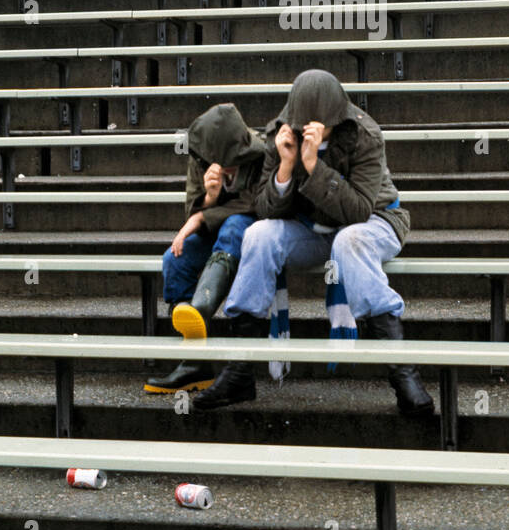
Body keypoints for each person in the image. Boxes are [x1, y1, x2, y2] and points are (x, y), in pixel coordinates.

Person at [191, 70, 433, 417]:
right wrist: (285, 169)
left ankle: (402, 373)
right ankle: (239, 370)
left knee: (349, 240)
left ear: (336, 119)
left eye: (318, 126)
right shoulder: (280, 132)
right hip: (312, 229)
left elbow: (358, 210)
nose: (308, 130)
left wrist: (313, 165)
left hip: (374, 222)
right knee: (258, 235)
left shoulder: (365, 134)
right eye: (301, 124)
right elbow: (263, 208)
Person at [144, 104, 267, 395]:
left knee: (234, 225)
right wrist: (209, 200)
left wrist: (203, 216)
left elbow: (259, 203)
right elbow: (192, 207)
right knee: (175, 257)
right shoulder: (201, 158)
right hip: (214, 231)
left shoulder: (261, 155)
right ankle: (193, 361)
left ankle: (200, 309)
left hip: (246, 233)